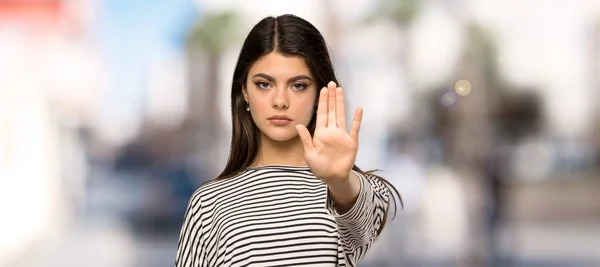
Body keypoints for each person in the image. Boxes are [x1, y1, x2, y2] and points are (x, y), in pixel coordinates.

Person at [175, 14, 402, 267]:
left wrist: (340, 180)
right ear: (244, 92)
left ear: (319, 93)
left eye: (298, 85)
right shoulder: (208, 203)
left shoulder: (346, 190)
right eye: (264, 84)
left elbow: (365, 225)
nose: (280, 100)